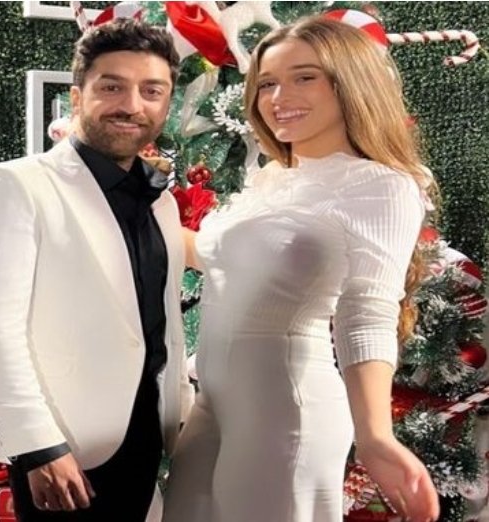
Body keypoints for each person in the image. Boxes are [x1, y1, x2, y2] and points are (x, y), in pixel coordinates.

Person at [163, 16, 440, 522]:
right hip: (213, 408)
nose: (278, 97)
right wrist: (121, 198)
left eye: (304, 77)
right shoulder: (270, 179)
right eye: (267, 83)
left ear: (350, 83)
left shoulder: (381, 186)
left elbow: (368, 312)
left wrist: (375, 436)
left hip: (286, 411)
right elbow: (213, 256)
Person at [0, 18, 194, 521]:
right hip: (64, 444)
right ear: (77, 96)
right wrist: (37, 446)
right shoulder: (15, 185)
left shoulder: (162, 202)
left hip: (147, 434)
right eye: (112, 87)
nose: (132, 105)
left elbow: (162, 324)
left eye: (152, 91)